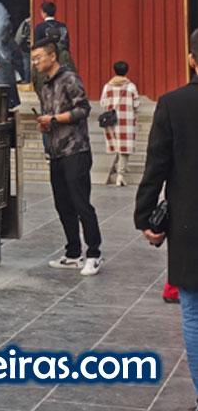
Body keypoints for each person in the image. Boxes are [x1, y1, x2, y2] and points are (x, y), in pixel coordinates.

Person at [134, 29, 198, 407]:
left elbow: (156, 165)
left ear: (192, 59)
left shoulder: (173, 104)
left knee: (193, 312)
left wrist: (147, 217)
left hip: (190, 224)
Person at [33, 37, 102, 275]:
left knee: (81, 203)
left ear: (52, 56)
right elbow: (53, 117)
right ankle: (73, 252)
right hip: (56, 150)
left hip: (76, 150)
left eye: (38, 57)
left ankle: (94, 253)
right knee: (62, 204)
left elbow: (83, 109)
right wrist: (46, 124)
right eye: (33, 59)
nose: (35, 63)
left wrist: (54, 119)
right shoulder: (45, 85)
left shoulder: (70, 78)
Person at [99, 60, 140, 187]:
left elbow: (103, 103)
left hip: (112, 119)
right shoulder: (130, 87)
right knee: (125, 147)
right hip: (126, 119)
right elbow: (136, 103)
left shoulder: (107, 86)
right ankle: (120, 175)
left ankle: (119, 166)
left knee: (117, 144)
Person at [0, 26, 25, 110]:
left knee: (0, 97)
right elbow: (18, 61)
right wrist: (22, 75)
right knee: (10, 97)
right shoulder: (12, 43)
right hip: (9, 74)